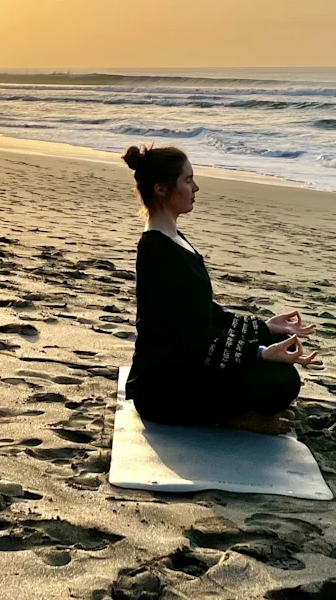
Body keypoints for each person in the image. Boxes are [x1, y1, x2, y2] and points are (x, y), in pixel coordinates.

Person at [121, 144, 320, 435]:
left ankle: (229, 411)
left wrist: (263, 328)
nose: (196, 188)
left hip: (185, 369)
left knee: (283, 378)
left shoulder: (174, 239)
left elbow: (203, 312)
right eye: (187, 181)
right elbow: (191, 340)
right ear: (162, 189)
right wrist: (260, 353)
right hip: (163, 389)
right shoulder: (157, 252)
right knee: (281, 380)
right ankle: (231, 418)